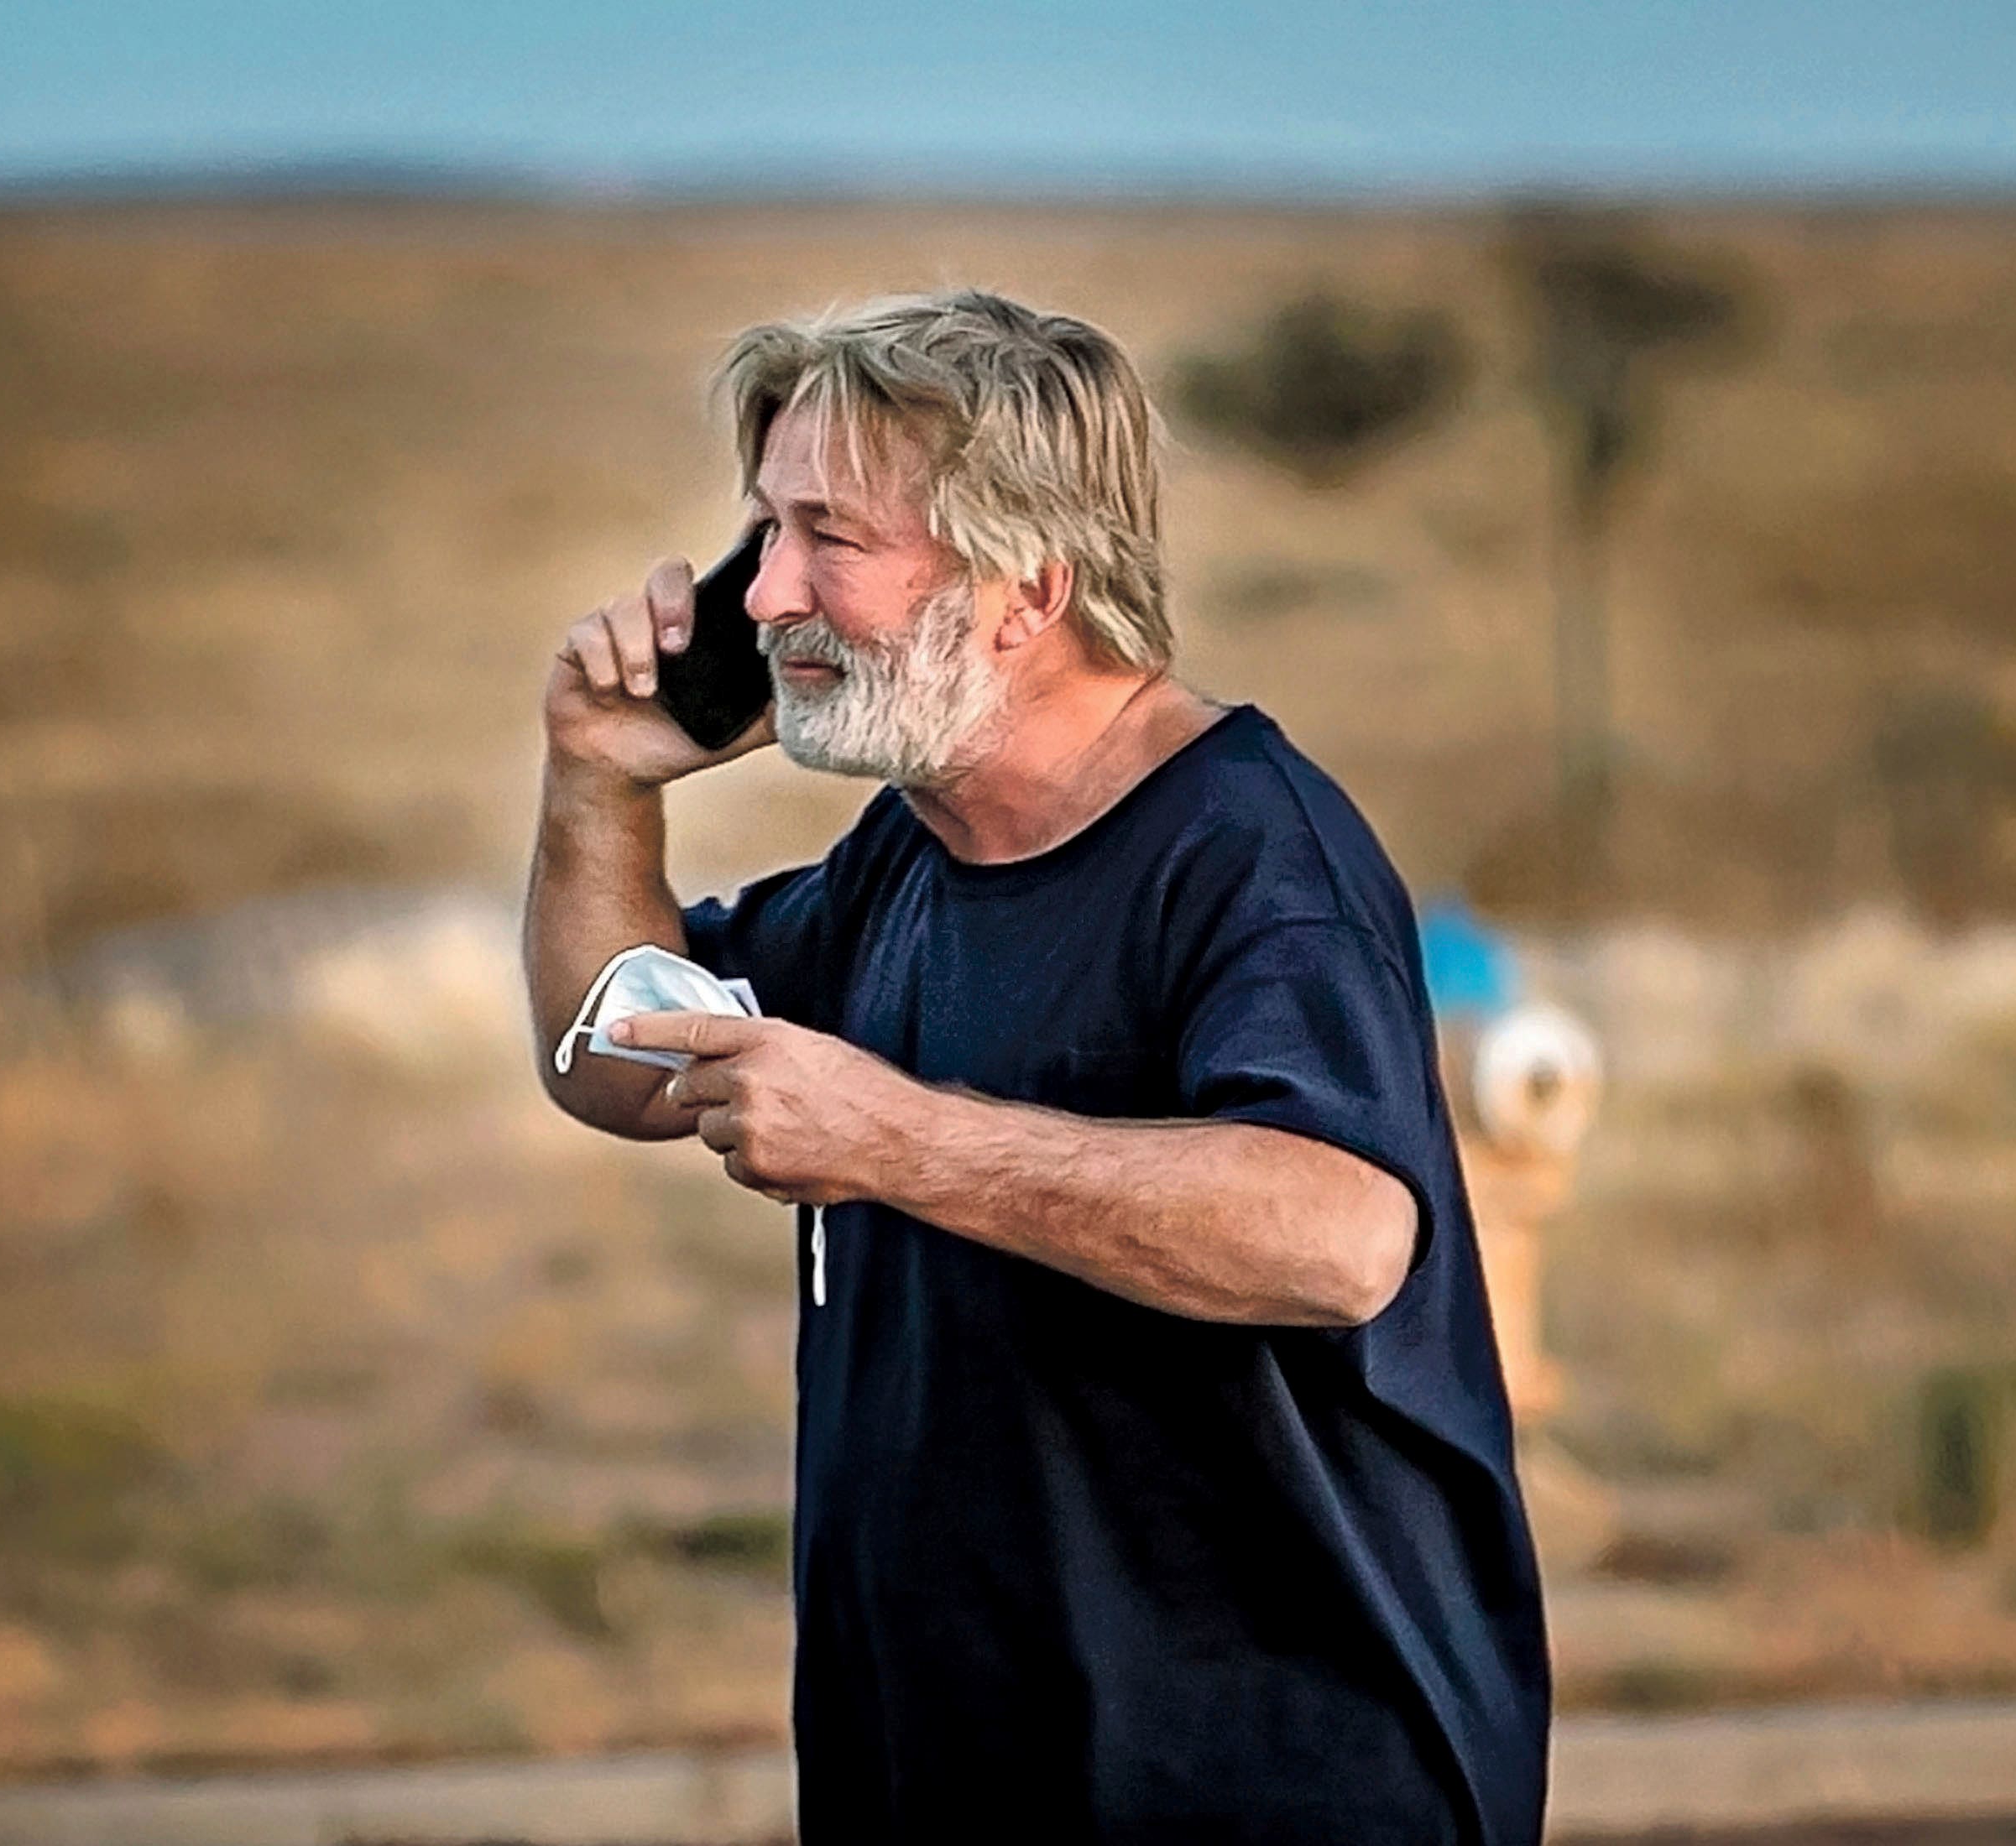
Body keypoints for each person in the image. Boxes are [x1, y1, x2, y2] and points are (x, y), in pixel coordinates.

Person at [521, 289, 1549, 1842]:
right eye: (763, 532)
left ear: (1028, 589)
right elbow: (614, 1054)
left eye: (830, 540)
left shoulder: (1252, 857)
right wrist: (597, 781)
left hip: (1266, 1790)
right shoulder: (907, 857)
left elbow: (1340, 1236)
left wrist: (896, 1142)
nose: (764, 594)